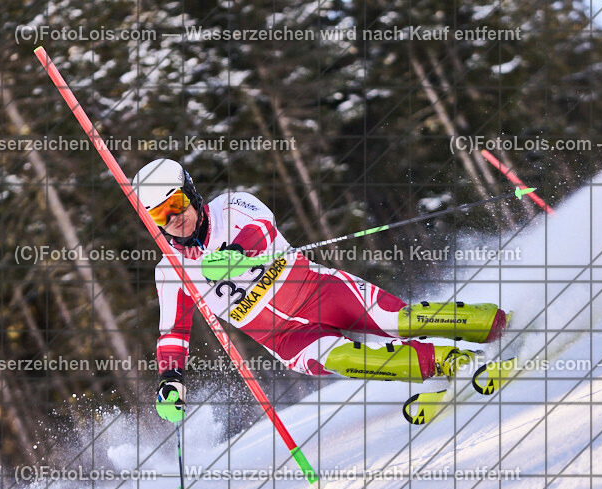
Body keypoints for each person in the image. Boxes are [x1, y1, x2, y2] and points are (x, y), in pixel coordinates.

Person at [132, 158, 508, 425]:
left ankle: (494, 323)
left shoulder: (230, 206)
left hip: (321, 292)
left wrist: (236, 254)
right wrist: (171, 379)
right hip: (287, 339)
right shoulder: (171, 272)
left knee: (399, 321)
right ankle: (454, 363)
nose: (173, 218)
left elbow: (262, 227)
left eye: (176, 204)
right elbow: (174, 333)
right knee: (353, 360)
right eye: (160, 215)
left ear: (191, 193)